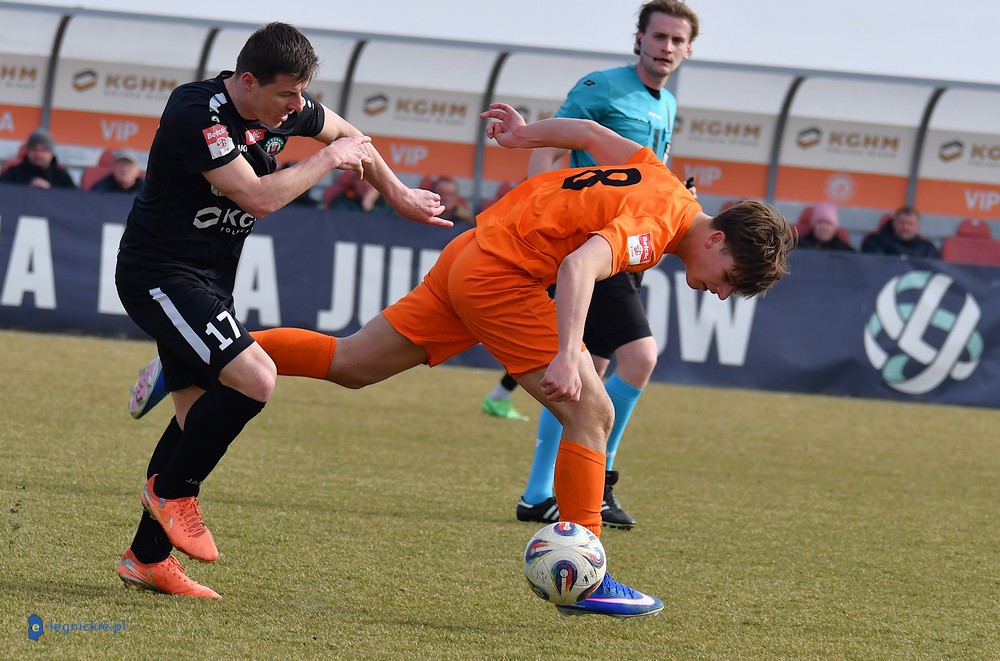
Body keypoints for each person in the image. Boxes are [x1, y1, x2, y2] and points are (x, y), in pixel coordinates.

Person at [129, 103, 791, 618]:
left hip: (472, 254)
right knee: (592, 411)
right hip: (502, 275)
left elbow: (590, 134)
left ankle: (211, 349)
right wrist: (568, 353)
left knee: (352, 362)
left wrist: (524, 135)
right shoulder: (658, 225)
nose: (721, 292)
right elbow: (579, 265)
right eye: (731, 279)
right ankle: (587, 574)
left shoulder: (667, 184)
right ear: (718, 238)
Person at [114, 22, 449, 600]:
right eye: (288, 94)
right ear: (248, 81)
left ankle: (146, 559)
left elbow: (353, 136)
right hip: (159, 274)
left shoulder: (283, 108)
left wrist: (399, 195)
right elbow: (258, 197)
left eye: (302, 93)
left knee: (196, 425)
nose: (298, 106)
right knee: (256, 377)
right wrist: (329, 159)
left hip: (211, 279)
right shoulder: (198, 111)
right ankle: (172, 493)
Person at [482, 0, 699, 531]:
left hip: (631, 241)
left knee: (589, 375)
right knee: (640, 356)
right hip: (591, 241)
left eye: (677, 40)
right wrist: (536, 205)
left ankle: (540, 494)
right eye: (659, 36)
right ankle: (595, 485)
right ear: (639, 39)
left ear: (689, 49)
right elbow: (556, 142)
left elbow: (644, 172)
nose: (667, 47)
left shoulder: (667, 102)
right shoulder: (602, 87)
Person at [0, 128, 77, 189]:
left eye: (44, 150)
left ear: (51, 153)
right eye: (35, 150)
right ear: (28, 151)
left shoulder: (62, 176)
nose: (39, 155)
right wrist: (26, 189)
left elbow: (73, 199)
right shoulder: (13, 173)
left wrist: (51, 191)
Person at [861, 206, 939, 259]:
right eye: (901, 223)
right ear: (893, 223)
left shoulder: (928, 248)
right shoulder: (875, 241)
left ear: (917, 226)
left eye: (910, 224)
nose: (905, 227)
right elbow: (875, 265)